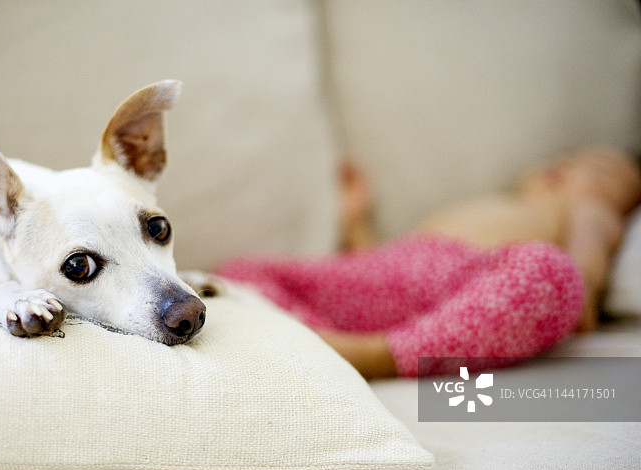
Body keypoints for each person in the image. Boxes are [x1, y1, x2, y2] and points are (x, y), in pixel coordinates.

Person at [217, 146, 641, 378]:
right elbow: (382, 265)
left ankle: (372, 357)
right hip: (383, 276)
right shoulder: (502, 202)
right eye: (569, 159)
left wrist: (578, 281)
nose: (570, 170)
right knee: (240, 273)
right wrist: (355, 219)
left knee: (553, 276)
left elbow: (580, 291)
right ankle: (307, 343)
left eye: (601, 175)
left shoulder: (587, 212)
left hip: (468, 290)